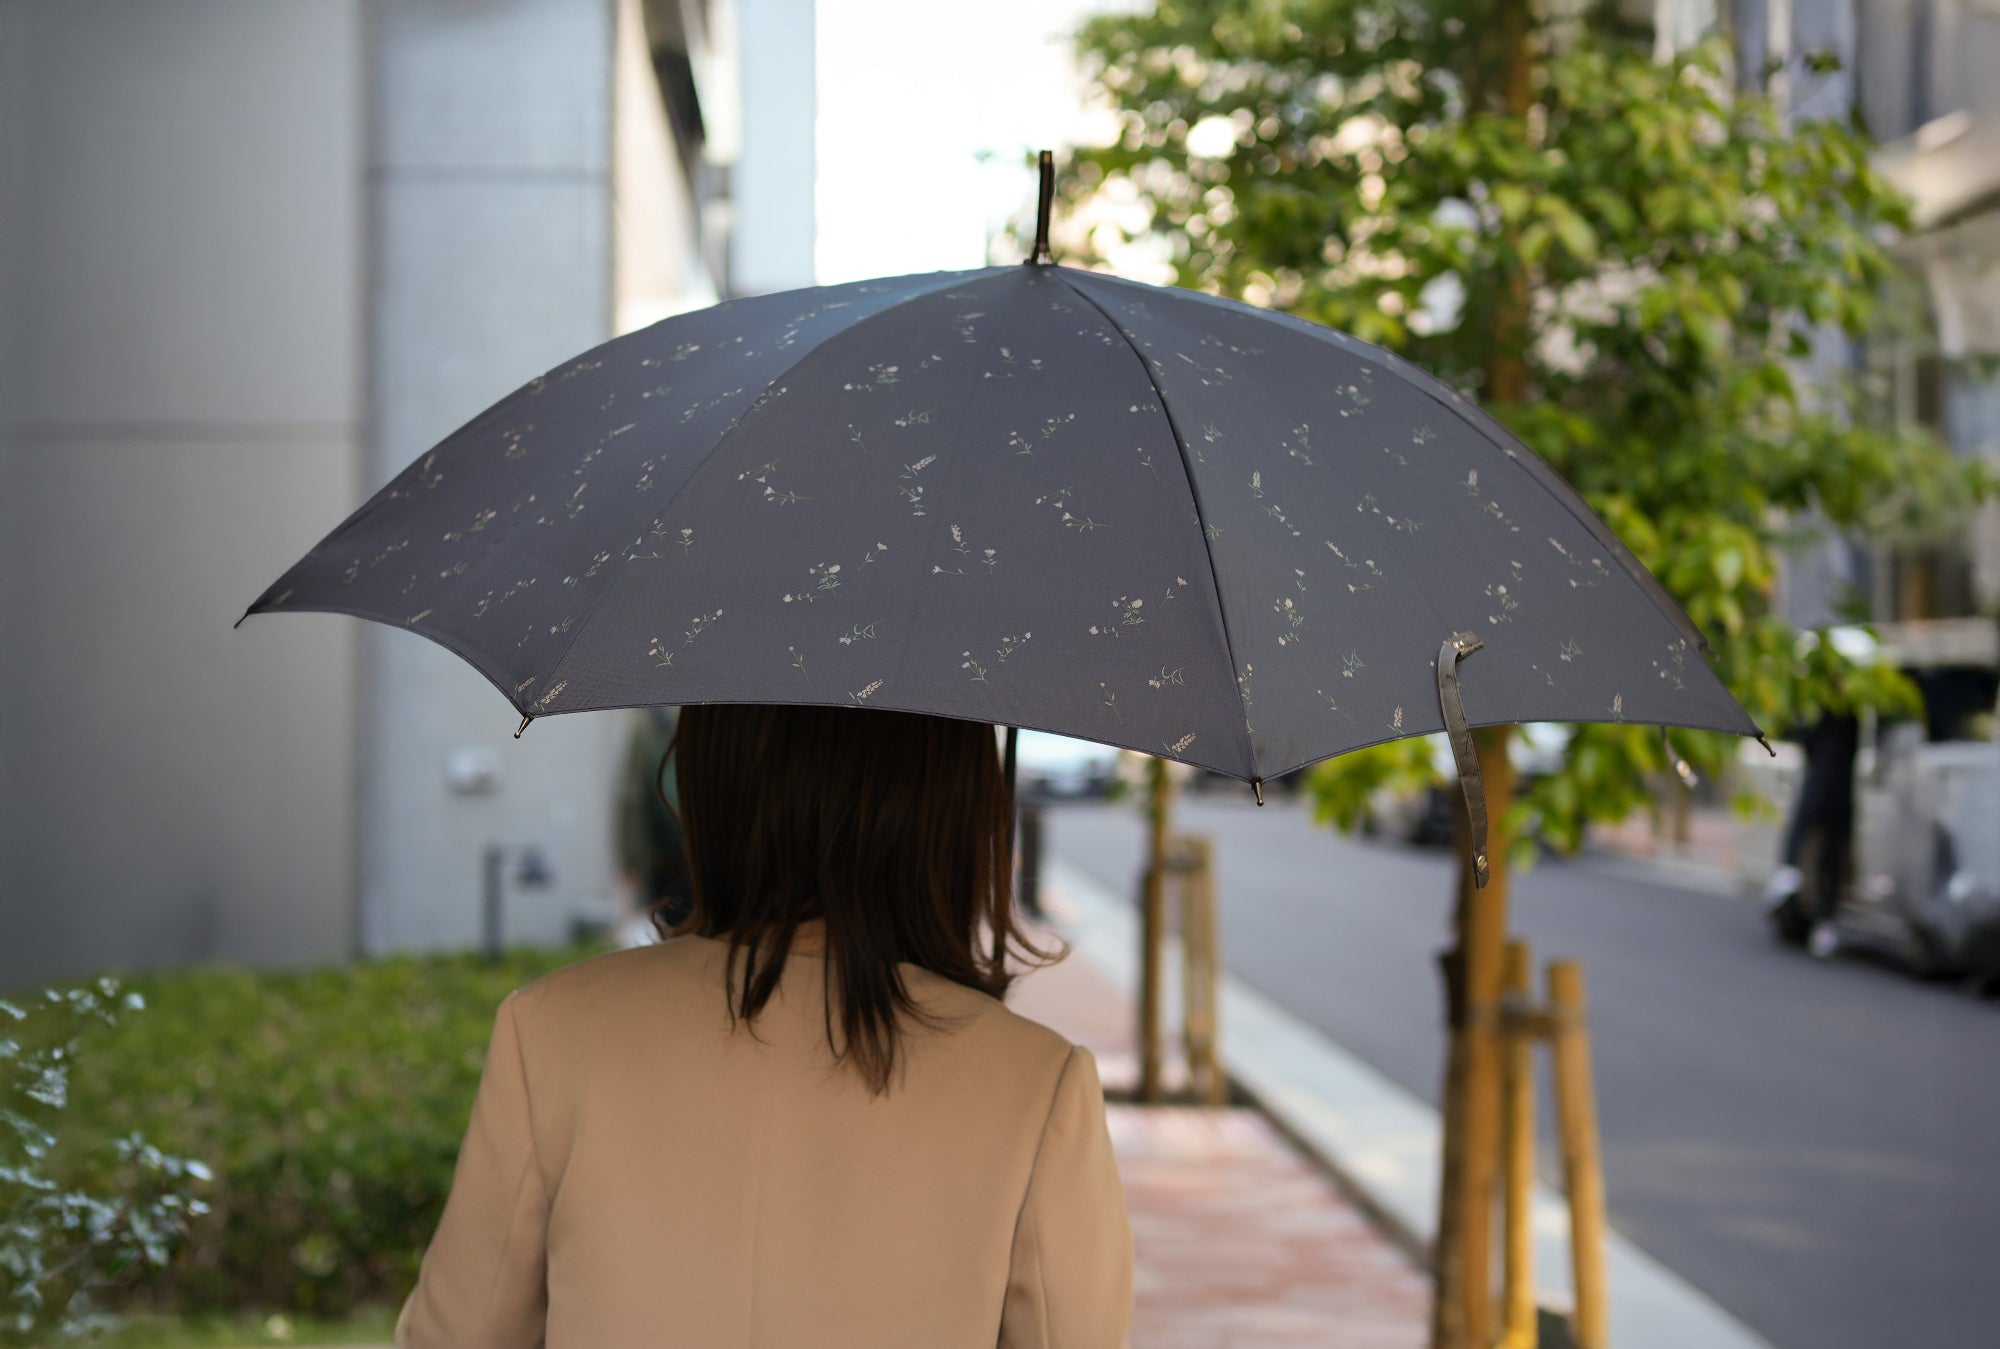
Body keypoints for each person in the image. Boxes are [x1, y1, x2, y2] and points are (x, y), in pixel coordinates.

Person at [395, 703, 1134, 1348]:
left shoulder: (552, 1029)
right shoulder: (1037, 1087)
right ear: (958, 806)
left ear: (713, 780)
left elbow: (459, 1334)